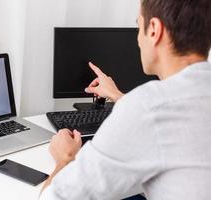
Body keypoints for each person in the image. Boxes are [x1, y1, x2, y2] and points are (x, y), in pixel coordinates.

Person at [39, 0, 211, 199]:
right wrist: (117, 95)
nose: (138, 40)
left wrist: (65, 159)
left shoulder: (147, 108)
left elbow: (54, 197)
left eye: (139, 26)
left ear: (154, 30)